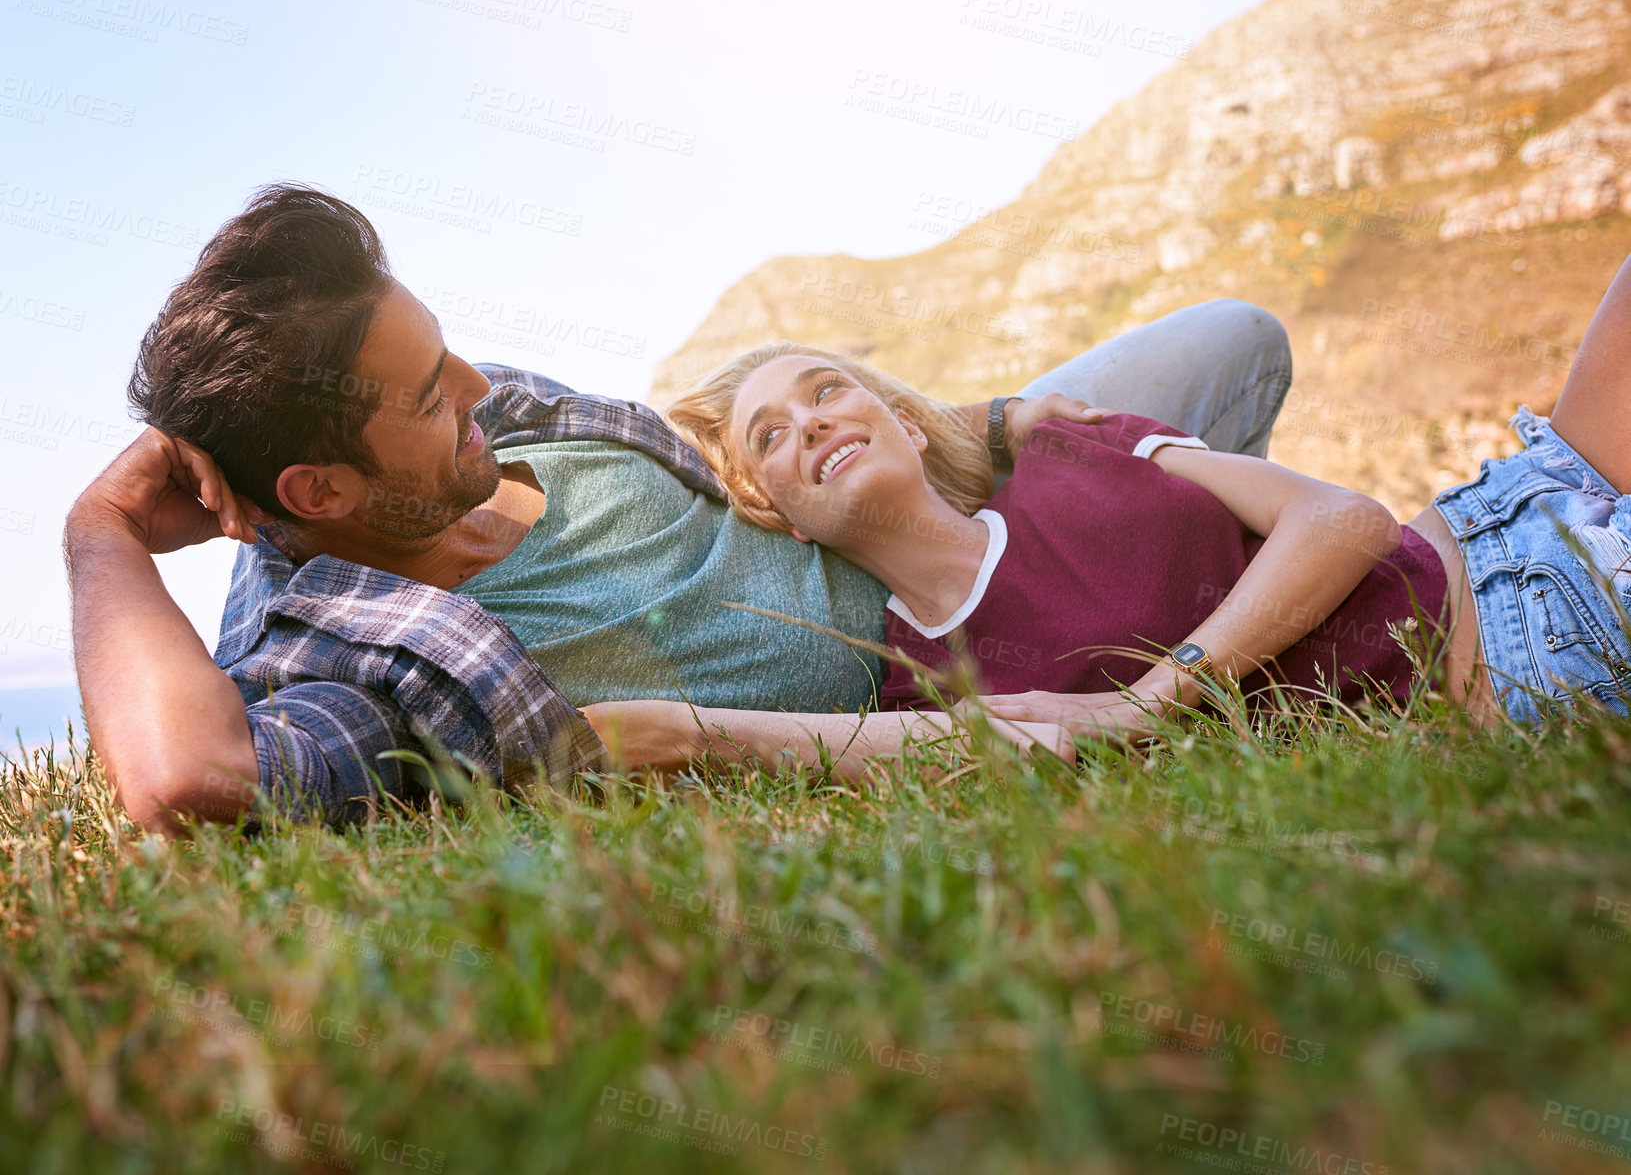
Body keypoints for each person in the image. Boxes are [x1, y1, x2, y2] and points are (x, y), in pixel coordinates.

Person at [63, 183, 1291, 834]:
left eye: (452, 357)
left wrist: (981, 428)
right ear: (321, 493)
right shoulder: (348, 665)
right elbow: (185, 779)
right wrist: (100, 530)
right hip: (941, 669)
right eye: (434, 398)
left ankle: (1230, 570)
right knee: (1212, 570)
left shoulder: (508, 421)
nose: (481, 389)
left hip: (920, 511)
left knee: (1229, 343)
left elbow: (733, 446)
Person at [597, 257, 1631, 761]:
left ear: (906, 423)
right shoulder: (925, 694)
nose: (811, 423)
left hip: (1503, 507)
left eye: (825, 389)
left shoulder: (1065, 445)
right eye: (770, 437)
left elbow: (1344, 521)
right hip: (1522, 650)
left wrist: (1150, 697)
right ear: (781, 517)